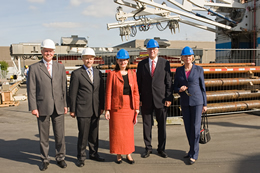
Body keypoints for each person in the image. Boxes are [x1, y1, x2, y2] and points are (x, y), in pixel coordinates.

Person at [27, 39, 67, 171]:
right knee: (44, 136)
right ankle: (44, 159)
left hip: (59, 106)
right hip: (42, 106)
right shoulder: (34, 68)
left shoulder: (60, 67)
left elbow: (63, 88)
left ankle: (60, 157)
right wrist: (33, 107)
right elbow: (31, 89)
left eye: (50, 51)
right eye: (46, 51)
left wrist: (65, 104)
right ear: (41, 52)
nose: (48, 53)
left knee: (59, 135)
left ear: (54, 52)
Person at [69, 47, 105, 167]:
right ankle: (81, 157)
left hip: (95, 108)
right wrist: (72, 109)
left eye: (91, 58)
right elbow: (73, 93)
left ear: (94, 59)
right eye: (86, 58)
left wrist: (102, 106)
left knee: (94, 134)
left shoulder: (98, 73)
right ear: (82, 59)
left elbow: (101, 91)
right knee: (83, 134)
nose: (89, 61)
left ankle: (94, 153)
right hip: (82, 109)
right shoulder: (77, 74)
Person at [137, 39, 172, 158]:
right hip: (146, 100)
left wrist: (168, 97)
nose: (152, 51)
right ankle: (148, 148)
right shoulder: (142, 64)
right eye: (150, 49)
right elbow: (138, 83)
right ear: (147, 50)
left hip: (161, 100)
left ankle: (161, 149)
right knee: (147, 125)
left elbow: (168, 82)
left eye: (154, 49)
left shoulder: (165, 63)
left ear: (157, 50)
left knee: (161, 125)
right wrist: (139, 98)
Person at [104, 49, 140, 164]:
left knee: (128, 132)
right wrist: (107, 109)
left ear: (128, 61)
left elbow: (135, 91)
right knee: (117, 131)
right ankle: (118, 154)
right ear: (117, 61)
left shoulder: (132, 74)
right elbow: (108, 92)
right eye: (120, 60)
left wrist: (137, 107)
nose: (122, 62)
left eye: (124, 60)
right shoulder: (112, 74)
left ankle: (128, 154)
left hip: (129, 107)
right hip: (116, 107)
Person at [173, 46, 207, 165]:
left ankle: (194, 154)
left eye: (189, 56)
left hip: (197, 102)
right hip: (185, 102)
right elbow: (174, 86)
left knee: (196, 128)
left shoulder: (199, 70)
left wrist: (205, 104)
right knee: (188, 128)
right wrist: (179, 89)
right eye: (185, 56)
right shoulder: (179, 71)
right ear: (182, 58)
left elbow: (203, 87)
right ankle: (191, 149)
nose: (187, 58)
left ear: (192, 57)